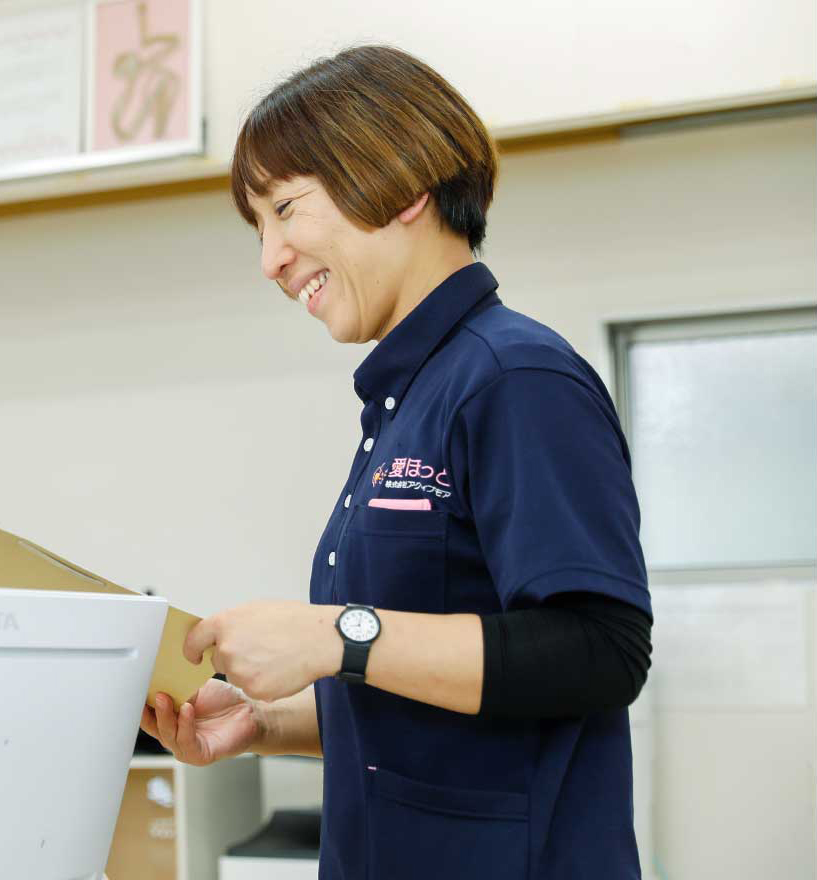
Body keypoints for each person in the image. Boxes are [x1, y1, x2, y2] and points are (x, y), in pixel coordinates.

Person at [139, 46, 652, 879]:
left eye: (285, 209)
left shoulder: (514, 377)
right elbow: (429, 693)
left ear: (402, 183)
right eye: (259, 228)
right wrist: (265, 722)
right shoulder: (410, 398)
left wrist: (333, 633)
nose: (271, 259)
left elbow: (599, 651)